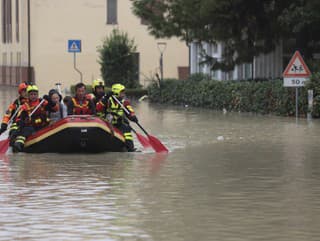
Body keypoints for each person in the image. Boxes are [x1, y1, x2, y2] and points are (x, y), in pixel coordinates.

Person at [13, 85, 58, 152]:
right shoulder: (25, 106)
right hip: (32, 127)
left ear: (37, 94)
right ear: (28, 95)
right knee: (26, 130)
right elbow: (18, 119)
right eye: (31, 94)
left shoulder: (42, 102)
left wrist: (50, 101)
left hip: (44, 126)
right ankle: (18, 144)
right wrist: (23, 121)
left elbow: (55, 109)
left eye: (35, 94)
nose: (33, 96)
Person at [96, 83, 138, 152]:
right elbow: (98, 108)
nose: (123, 95)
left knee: (127, 129)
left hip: (118, 123)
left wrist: (133, 117)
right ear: (116, 93)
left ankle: (130, 148)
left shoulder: (124, 102)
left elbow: (130, 111)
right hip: (107, 124)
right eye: (122, 93)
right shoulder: (107, 100)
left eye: (123, 93)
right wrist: (106, 98)